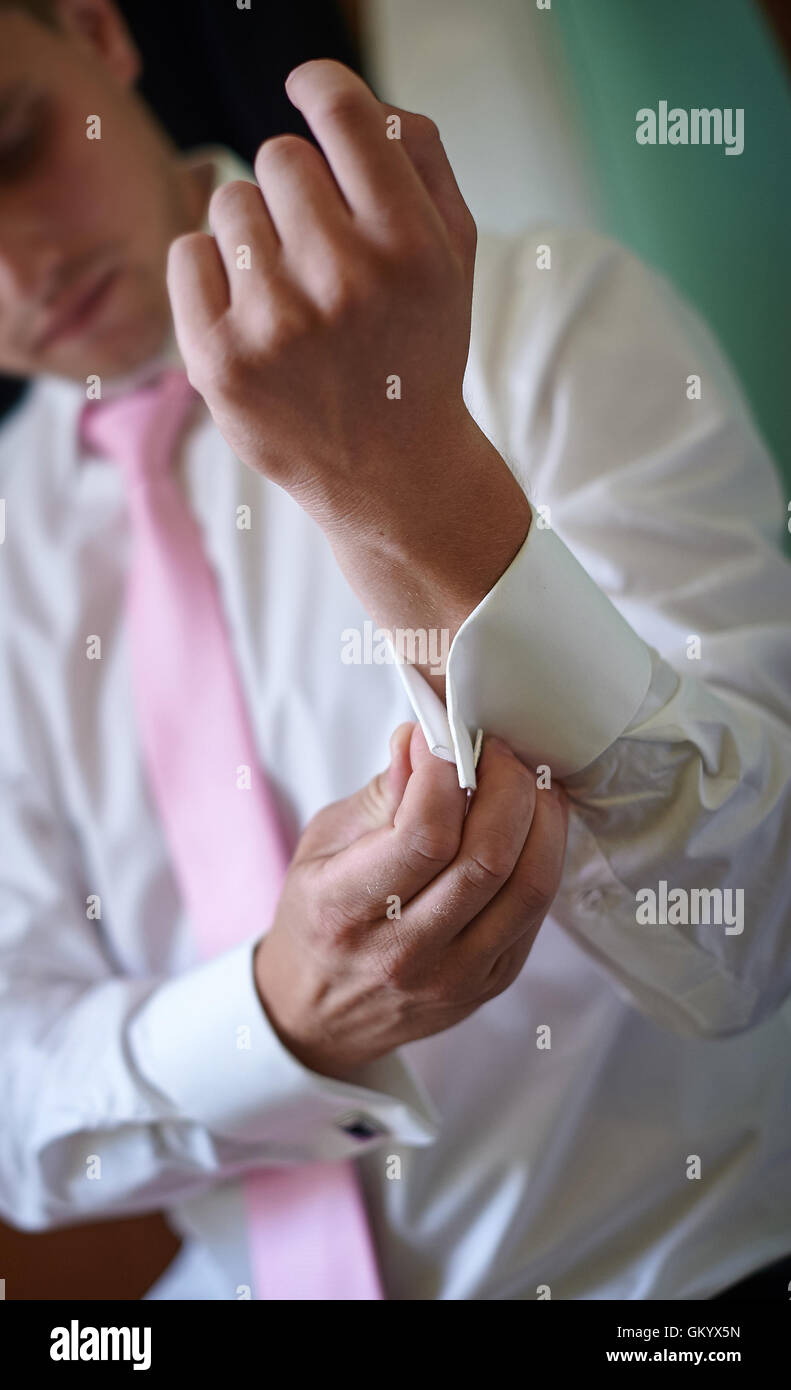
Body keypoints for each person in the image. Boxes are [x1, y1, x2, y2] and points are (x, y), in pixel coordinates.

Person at [0, 0, 789, 1302]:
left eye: (16, 142)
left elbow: (760, 922)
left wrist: (414, 483)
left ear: (95, 30)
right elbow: (20, 1102)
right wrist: (280, 1016)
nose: (17, 264)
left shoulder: (540, 321)